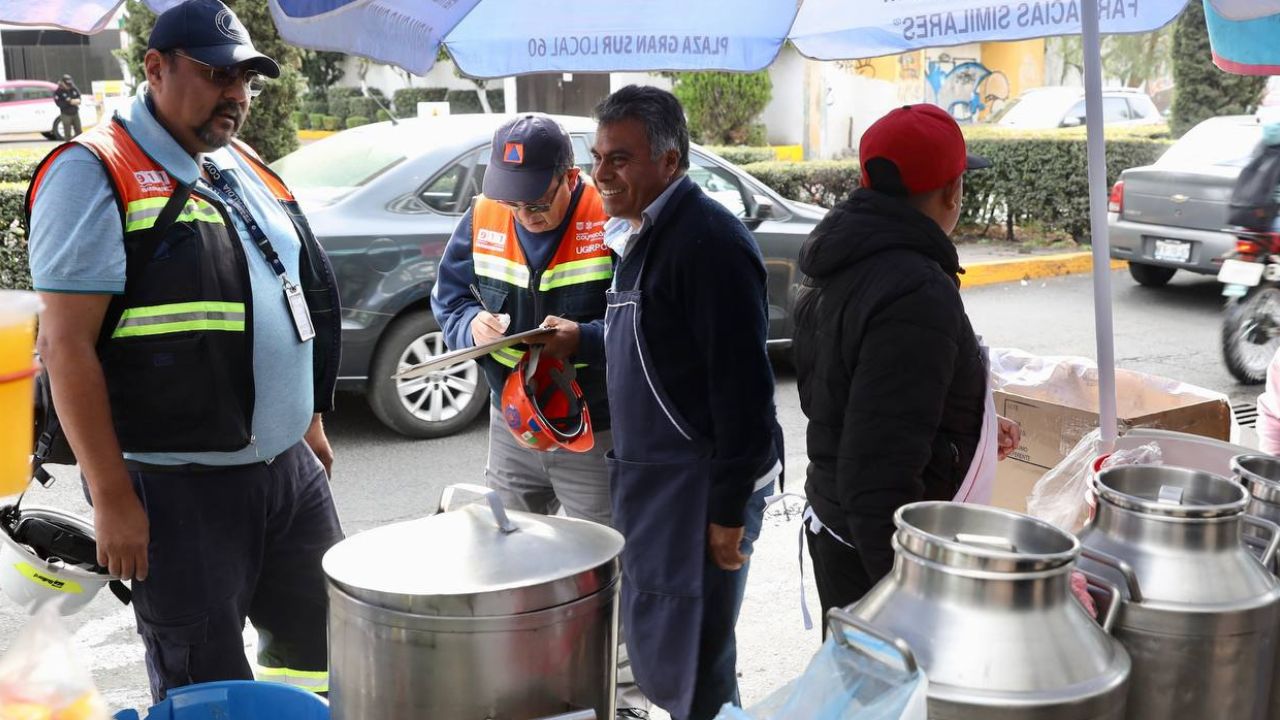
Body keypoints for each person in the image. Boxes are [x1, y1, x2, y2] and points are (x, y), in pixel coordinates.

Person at [25, 0, 343, 702]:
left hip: (285, 472)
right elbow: (67, 347)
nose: (236, 95)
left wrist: (307, 424)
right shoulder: (92, 171)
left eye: (246, 81)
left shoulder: (238, 159)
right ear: (155, 67)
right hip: (176, 487)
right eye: (215, 74)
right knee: (204, 683)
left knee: (323, 652)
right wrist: (111, 497)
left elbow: (290, 287)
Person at [430, 113, 650, 719]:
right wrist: (466, 324)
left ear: (569, 177)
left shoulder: (614, 221)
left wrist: (585, 337)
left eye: (536, 199)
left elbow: (647, 323)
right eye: (512, 198)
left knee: (602, 567)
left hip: (594, 431)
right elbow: (448, 296)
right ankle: (520, 687)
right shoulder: (482, 216)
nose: (523, 212)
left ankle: (623, 699)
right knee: (508, 558)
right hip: (514, 422)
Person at [592, 85, 781, 720]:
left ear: (670, 160)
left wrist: (727, 511)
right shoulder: (642, 233)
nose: (601, 174)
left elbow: (745, 392)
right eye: (598, 157)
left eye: (619, 158)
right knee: (666, 653)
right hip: (655, 488)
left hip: (701, 492)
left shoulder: (710, 243)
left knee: (700, 667)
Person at [793, 103, 1021, 624]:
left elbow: (855, 397)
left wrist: (975, 426)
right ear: (951, 192)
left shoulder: (841, 255)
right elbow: (878, 470)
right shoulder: (914, 290)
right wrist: (906, 597)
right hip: (878, 554)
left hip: (834, 524)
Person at [53, 74, 82, 139]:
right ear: (62, 83)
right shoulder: (58, 91)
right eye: (67, 84)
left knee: (79, 131)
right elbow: (59, 104)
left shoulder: (73, 88)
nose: (69, 86)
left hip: (75, 112)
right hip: (66, 114)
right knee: (67, 132)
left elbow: (79, 97)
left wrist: (74, 101)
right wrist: (69, 102)